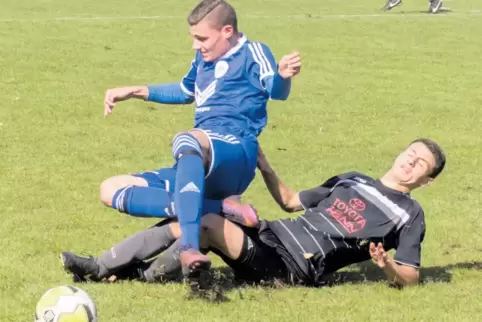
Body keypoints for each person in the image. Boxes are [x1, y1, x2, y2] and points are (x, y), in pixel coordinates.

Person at [62, 138, 445, 287]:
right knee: (188, 221)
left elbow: (410, 277)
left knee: (207, 224)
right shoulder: (352, 179)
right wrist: (264, 164)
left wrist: (386, 265)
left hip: (294, 265)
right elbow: (292, 201)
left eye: (420, 165)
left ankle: (128, 274)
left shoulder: (409, 214)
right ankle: (104, 266)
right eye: (410, 154)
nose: (410, 163)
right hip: (272, 234)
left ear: (426, 180)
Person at [99, 0, 301, 281]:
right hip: (203, 152)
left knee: (187, 139)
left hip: (236, 149)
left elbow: (276, 91)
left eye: (202, 38)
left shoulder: (254, 51)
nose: (196, 45)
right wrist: (134, 91)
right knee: (110, 189)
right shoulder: (203, 59)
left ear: (227, 31)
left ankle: (190, 247)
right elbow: (184, 91)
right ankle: (218, 208)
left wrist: (282, 76)